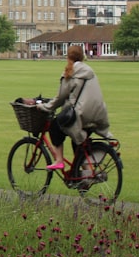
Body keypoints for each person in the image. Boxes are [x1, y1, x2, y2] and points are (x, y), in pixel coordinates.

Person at [35, 45, 111, 174]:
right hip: (97, 115)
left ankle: (59, 160)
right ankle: (86, 173)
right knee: (78, 141)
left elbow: (60, 98)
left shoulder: (71, 72)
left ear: (68, 57)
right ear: (82, 56)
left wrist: (44, 107)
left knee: (54, 127)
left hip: (80, 114)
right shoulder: (89, 71)